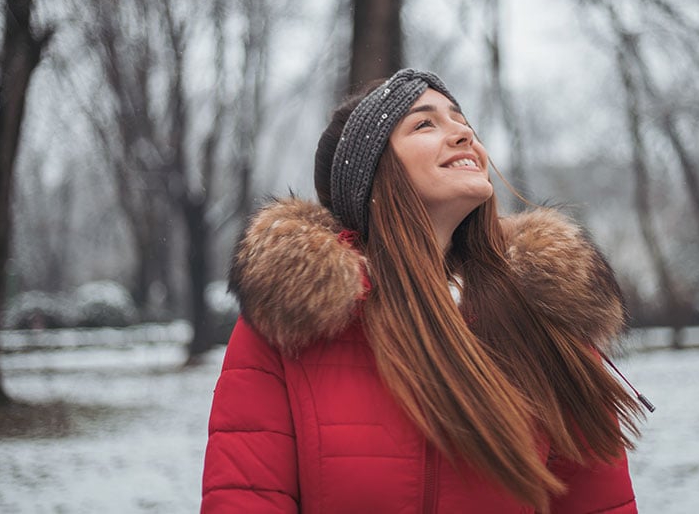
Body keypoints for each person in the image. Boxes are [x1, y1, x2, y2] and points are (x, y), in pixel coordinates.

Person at [201, 68, 649, 513]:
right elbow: (245, 500)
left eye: (461, 121)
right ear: (372, 173)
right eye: (425, 123)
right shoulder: (291, 322)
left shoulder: (541, 311)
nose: (462, 135)